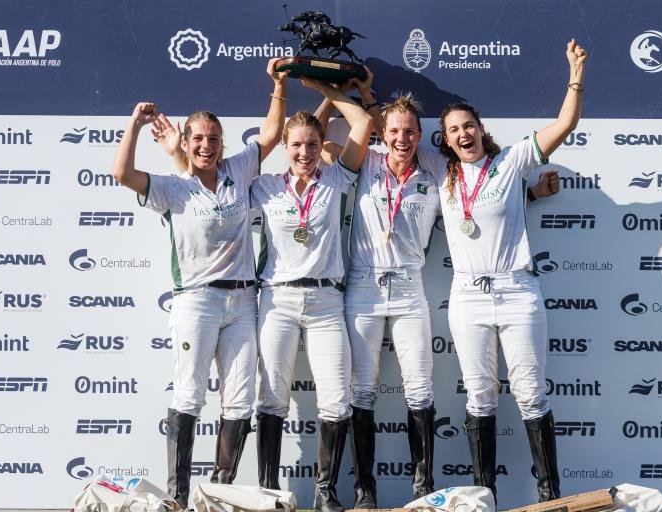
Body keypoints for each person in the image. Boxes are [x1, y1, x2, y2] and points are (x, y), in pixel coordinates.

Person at [315, 74, 561, 507]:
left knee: (420, 391)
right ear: (382, 134)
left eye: (410, 131)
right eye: (393, 131)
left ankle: (423, 489)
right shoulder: (364, 161)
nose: (402, 138)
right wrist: (335, 93)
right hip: (363, 287)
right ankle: (365, 490)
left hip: (410, 288)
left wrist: (532, 194)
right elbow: (361, 123)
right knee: (362, 392)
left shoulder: (433, 166)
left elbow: (483, 199)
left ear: (423, 135)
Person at [110, 59, 288, 508]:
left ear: (222, 143)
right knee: (189, 394)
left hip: (244, 301)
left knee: (240, 400)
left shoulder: (239, 171)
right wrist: (134, 125)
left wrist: (278, 88)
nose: (206, 146)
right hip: (197, 304)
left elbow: (269, 136)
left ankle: (219, 495)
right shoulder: (173, 187)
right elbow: (121, 174)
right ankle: (178, 496)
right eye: (198, 139)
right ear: (185, 144)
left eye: (213, 139)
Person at [432, 39, 586, 503]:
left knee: (531, 395)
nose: (463, 134)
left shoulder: (511, 162)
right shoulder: (439, 173)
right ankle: (484, 496)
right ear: (445, 140)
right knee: (479, 397)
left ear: (482, 130)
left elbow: (565, 124)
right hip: (468, 298)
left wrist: (575, 73)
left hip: (518, 293)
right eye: (454, 130)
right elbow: (390, 139)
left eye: (469, 126)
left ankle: (550, 495)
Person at [250, 77, 371, 512]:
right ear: (285, 146)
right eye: (296, 145)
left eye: (312, 144)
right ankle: (266, 491)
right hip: (277, 302)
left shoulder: (338, 179)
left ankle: (325, 492)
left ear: (323, 144)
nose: (304, 154)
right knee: (272, 399)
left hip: (326, 304)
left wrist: (328, 90)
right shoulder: (263, 187)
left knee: (337, 398)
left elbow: (362, 124)